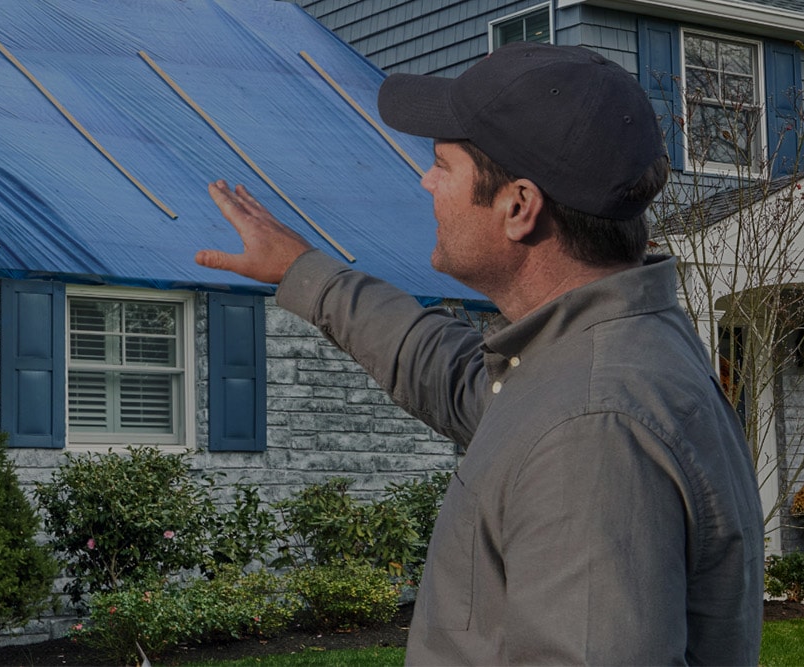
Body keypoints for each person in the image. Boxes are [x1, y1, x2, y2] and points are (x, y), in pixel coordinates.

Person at [195, 42, 761, 664]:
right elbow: (451, 371)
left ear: (518, 207)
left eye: (443, 164)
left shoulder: (592, 428)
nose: (425, 180)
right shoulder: (587, 357)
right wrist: (306, 273)